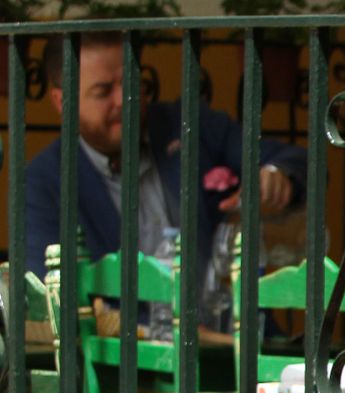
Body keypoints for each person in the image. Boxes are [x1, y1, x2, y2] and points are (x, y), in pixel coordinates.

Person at [24, 31, 306, 284]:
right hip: (127, 341)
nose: (125, 99)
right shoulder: (44, 182)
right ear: (63, 102)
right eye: (103, 91)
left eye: (131, 81)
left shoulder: (188, 124)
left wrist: (276, 174)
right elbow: (52, 295)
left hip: (233, 333)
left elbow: (299, 161)